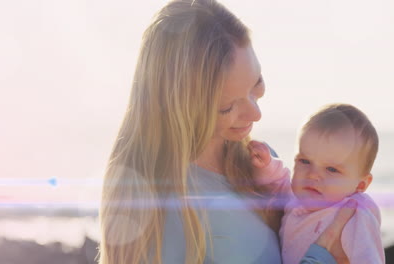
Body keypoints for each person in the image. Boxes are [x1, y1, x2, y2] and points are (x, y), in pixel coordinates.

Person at [99, 0, 356, 263]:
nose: (256, 114)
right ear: (181, 106)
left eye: (257, 83)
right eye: (227, 107)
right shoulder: (162, 210)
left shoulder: (261, 165)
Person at [250, 103, 384, 264]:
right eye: (305, 161)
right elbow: (278, 184)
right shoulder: (298, 195)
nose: (313, 175)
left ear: (360, 185)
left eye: (332, 169)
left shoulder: (354, 214)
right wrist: (266, 165)